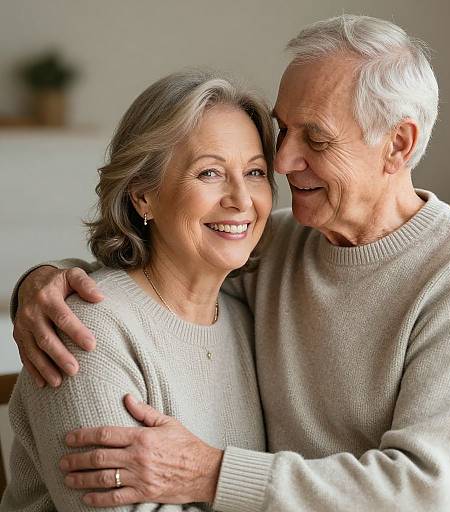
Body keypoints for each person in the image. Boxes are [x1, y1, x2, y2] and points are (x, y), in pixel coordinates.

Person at [9, 14, 450, 512]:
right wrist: (43, 283)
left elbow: (424, 489)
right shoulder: (275, 245)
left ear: (397, 145)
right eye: (283, 131)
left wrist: (207, 472)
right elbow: (163, 268)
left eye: (315, 138)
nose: (282, 163)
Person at [1, 69, 276, 511]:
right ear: (143, 195)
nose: (242, 199)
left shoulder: (245, 317)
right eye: (209, 173)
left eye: (256, 172)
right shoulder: (83, 327)